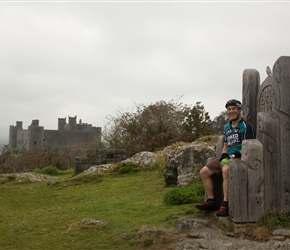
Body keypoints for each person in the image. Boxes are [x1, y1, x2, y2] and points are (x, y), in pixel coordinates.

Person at [195, 99, 255, 217]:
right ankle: (211, 201)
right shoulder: (227, 127)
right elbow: (226, 145)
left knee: (226, 170)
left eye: (234, 109)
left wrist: (234, 156)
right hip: (228, 157)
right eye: (229, 109)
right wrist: (223, 155)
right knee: (204, 172)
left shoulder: (246, 126)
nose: (231, 111)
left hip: (240, 158)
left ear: (239, 110)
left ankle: (225, 204)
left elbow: (249, 145)